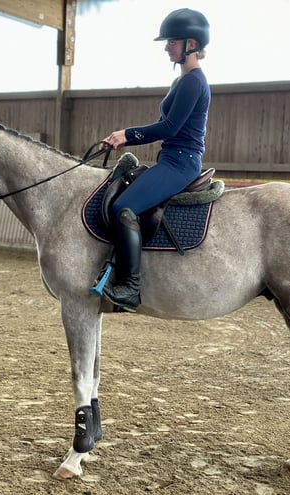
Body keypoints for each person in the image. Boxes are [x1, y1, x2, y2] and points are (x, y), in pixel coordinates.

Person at [100, 8, 211, 312]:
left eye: (171, 42)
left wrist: (127, 134)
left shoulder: (193, 82)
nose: (166, 47)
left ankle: (131, 287)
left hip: (181, 162)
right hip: (172, 158)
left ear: (191, 43)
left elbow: (169, 128)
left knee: (124, 207)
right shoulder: (181, 82)